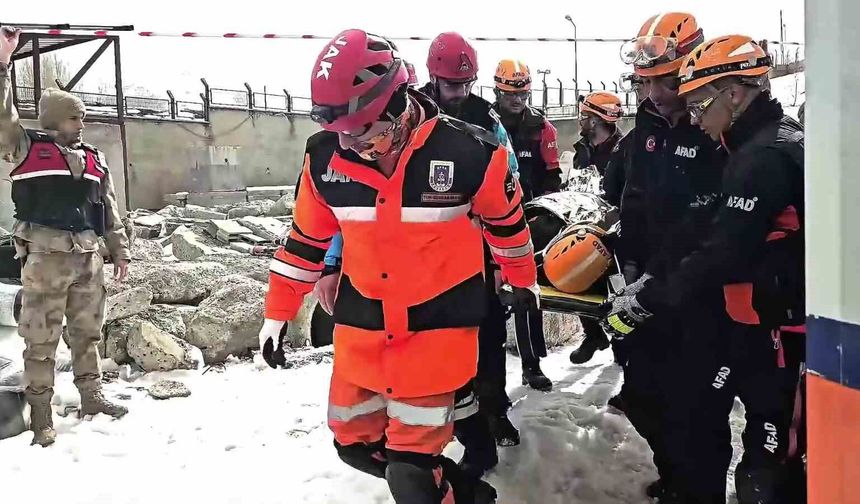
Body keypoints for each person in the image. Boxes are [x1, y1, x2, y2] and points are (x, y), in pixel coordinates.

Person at [259, 29, 538, 504]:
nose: (348, 143)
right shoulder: (323, 156)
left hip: (436, 330)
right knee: (354, 445)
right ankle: (466, 493)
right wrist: (278, 312)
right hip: (362, 329)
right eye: (338, 131)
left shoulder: (473, 152)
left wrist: (522, 282)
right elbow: (306, 240)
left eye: (360, 130)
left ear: (396, 105)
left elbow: (507, 224)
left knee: (410, 470)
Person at [604, 35, 806, 504]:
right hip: (752, 321)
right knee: (695, 413)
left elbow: (723, 250)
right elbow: (698, 227)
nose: (693, 118)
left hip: (781, 331)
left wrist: (649, 297)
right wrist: (648, 277)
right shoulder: (744, 145)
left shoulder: (764, 157)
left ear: (734, 94)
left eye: (699, 105)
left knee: (769, 466)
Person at [314, 32, 522, 455]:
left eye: (467, 84)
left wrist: (503, 261)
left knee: (485, 339)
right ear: (431, 77)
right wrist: (333, 261)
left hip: (467, 255)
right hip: (399, 261)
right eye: (451, 85)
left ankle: (490, 417)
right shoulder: (388, 111)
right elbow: (350, 198)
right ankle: (419, 447)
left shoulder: (487, 122)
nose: (460, 93)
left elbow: (508, 181)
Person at [599, 13, 727, 501]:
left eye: (664, 80)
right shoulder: (646, 127)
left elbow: (714, 226)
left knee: (698, 410)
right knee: (646, 396)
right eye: (646, 82)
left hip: (697, 293)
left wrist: (663, 277)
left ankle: (700, 491)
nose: (654, 93)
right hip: (645, 289)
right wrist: (627, 268)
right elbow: (632, 199)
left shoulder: (715, 130)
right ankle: (675, 474)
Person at [0, 26, 131, 447]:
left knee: (88, 332)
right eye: (75, 116)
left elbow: (108, 210)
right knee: (40, 339)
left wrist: (120, 252)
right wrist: (3, 65)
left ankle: (92, 398)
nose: (83, 122)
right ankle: (40, 416)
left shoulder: (94, 158)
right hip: (45, 258)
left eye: (83, 115)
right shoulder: (24, 148)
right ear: (55, 119)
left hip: (89, 259)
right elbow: (3, 117)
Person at [491, 59, 561, 392]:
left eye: (522, 93)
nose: (517, 99)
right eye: (509, 93)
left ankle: (530, 364)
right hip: (486, 217)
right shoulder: (484, 122)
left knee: (525, 292)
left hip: (527, 219)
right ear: (498, 91)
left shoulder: (542, 128)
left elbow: (552, 176)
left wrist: (543, 214)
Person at [566, 91, 623, 365]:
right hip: (585, 223)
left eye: (584, 117)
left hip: (617, 228)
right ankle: (594, 334)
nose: (580, 121)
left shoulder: (622, 151)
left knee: (618, 287)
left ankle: (622, 348)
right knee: (578, 276)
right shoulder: (583, 150)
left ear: (596, 119)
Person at [572, 91, 624, 178]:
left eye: (582, 117)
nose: (580, 121)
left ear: (593, 122)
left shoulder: (623, 152)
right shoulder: (583, 147)